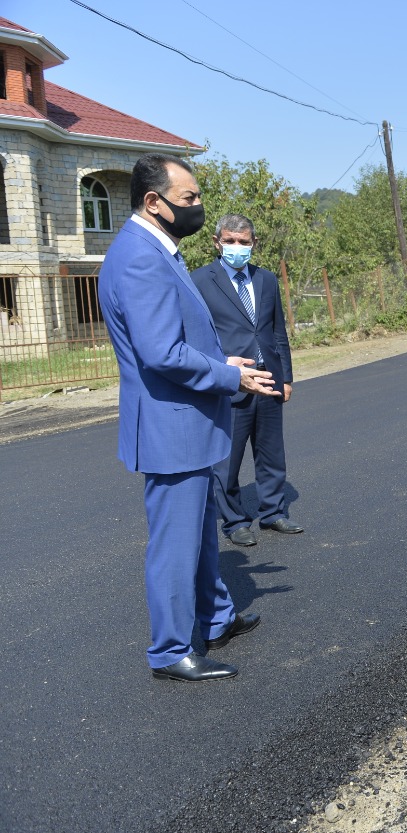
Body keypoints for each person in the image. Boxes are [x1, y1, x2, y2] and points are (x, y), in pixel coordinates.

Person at [99, 154, 277, 683]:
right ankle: (170, 651)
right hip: (170, 426)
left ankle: (215, 618)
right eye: (190, 199)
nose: (199, 207)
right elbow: (161, 353)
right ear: (154, 202)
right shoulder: (139, 258)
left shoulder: (158, 249)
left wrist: (223, 361)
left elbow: (178, 338)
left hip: (187, 424)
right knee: (175, 547)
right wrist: (230, 377)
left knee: (200, 536)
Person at [192, 215, 301, 546]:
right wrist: (219, 370)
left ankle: (274, 513)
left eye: (244, 241)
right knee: (228, 459)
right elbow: (197, 335)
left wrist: (285, 378)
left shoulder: (266, 280)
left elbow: (276, 331)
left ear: (254, 244)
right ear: (217, 242)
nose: (237, 247)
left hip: (268, 380)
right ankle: (235, 520)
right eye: (230, 241)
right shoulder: (199, 281)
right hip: (231, 381)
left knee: (271, 453)